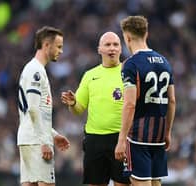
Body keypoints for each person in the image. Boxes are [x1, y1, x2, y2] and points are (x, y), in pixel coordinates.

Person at [61, 31, 130, 186]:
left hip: (121, 138)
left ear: (120, 48)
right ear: (99, 49)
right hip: (95, 140)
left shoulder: (128, 72)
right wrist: (73, 103)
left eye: (115, 44)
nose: (112, 48)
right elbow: (78, 109)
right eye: (107, 44)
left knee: (123, 184)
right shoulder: (90, 75)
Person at [114, 15, 176, 186]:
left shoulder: (131, 65)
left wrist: (121, 140)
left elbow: (130, 103)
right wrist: (168, 132)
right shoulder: (165, 62)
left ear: (127, 38)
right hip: (159, 135)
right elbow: (171, 101)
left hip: (138, 138)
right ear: (146, 34)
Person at [17, 26, 70, 186]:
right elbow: (33, 109)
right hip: (36, 141)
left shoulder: (33, 69)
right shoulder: (36, 71)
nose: (61, 51)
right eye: (59, 46)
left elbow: (34, 111)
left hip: (28, 138)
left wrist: (53, 135)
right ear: (47, 45)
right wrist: (44, 141)